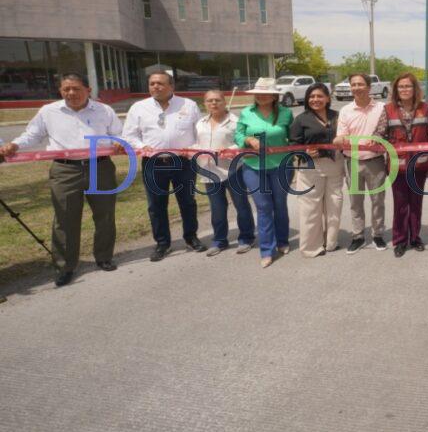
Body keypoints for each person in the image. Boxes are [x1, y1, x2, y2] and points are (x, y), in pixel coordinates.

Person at [1, 73, 123, 287]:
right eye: (66, 89)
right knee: (64, 219)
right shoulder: (49, 111)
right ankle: (65, 266)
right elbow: (32, 135)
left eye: (76, 88)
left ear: (88, 90)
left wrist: (121, 143)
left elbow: (120, 135)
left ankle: (104, 257)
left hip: (100, 167)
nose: (71, 93)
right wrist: (15, 145)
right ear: (60, 91)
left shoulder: (104, 111)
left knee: (105, 215)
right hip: (65, 172)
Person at [123, 68, 205, 262]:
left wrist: (192, 148)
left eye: (160, 83)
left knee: (187, 202)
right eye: (152, 84)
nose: (155, 87)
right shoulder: (138, 108)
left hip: (183, 162)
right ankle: (162, 243)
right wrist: (143, 146)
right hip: (153, 163)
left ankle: (191, 237)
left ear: (171, 86)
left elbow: (199, 132)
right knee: (156, 205)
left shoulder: (189, 105)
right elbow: (129, 135)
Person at [235, 77, 294, 268]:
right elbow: (238, 134)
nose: (260, 96)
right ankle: (267, 249)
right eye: (257, 93)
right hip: (253, 166)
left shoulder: (286, 113)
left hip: (281, 165)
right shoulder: (246, 113)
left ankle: (283, 240)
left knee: (280, 204)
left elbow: (293, 137)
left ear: (274, 96)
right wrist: (247, 140)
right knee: (263, 207)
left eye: (265, 93)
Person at [378, 73, 428, 257]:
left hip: (419, 166)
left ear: (415, 89)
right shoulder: (388, 110)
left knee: (416, 203)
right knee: (400, 204)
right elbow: (378, 135)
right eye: (401, 87)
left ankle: (415, 238)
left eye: (408, 86)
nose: (404, 90)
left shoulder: (425, 108)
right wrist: (387, 146)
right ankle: (400, 240)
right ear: (396, 90)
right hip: (397, 167)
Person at [192, 90, 255, 256]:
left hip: (233, 169)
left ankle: (246, 237)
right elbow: (195, 143)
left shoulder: (236, 121)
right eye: (210, 101)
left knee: (241, 205)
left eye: (217, 100)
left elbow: (244, 142)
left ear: (224, 102)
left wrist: (230, 149)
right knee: (217, 208)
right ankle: (219, 240)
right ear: (205, 103)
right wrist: (197, 151)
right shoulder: (200, 123)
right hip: (209, 171)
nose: (214, 103)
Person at [334, 73, 388, 253]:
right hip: (353, 161)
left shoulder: (382, 108)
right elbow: (342, 135)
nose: (356, 87)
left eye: (360, 84)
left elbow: (387, 133)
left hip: (375, 162)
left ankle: (378, 235)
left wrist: (379, 141)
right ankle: (358, 236)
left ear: (369, 87)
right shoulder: (345, 110)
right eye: (353, 84)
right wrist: (339, 139)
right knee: (356, 201)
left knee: (377, 200)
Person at [289, 84, 344, 258]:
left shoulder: (338, 116)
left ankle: (331, 242)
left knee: (334, 204)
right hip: (310, 167)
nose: (315, 100)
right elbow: (292, 144)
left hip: (335, 165)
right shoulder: (301, 119)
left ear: (328, 98)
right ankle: (311, 246)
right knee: (310, 208)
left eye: (320, 96)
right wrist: (304, 151)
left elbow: (347, 134)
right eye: (311, 97)